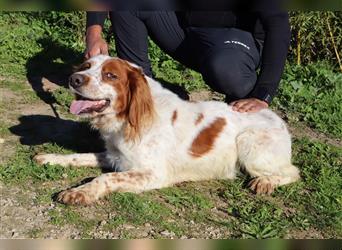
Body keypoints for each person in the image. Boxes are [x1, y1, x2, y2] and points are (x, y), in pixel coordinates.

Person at [84, 1, 291, 113]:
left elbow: (279, 23)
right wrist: (94, 34)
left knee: (227, 70)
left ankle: (242, 104)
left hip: (232, 41)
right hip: (185, 32)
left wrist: (263, 94)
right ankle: (144, 95)